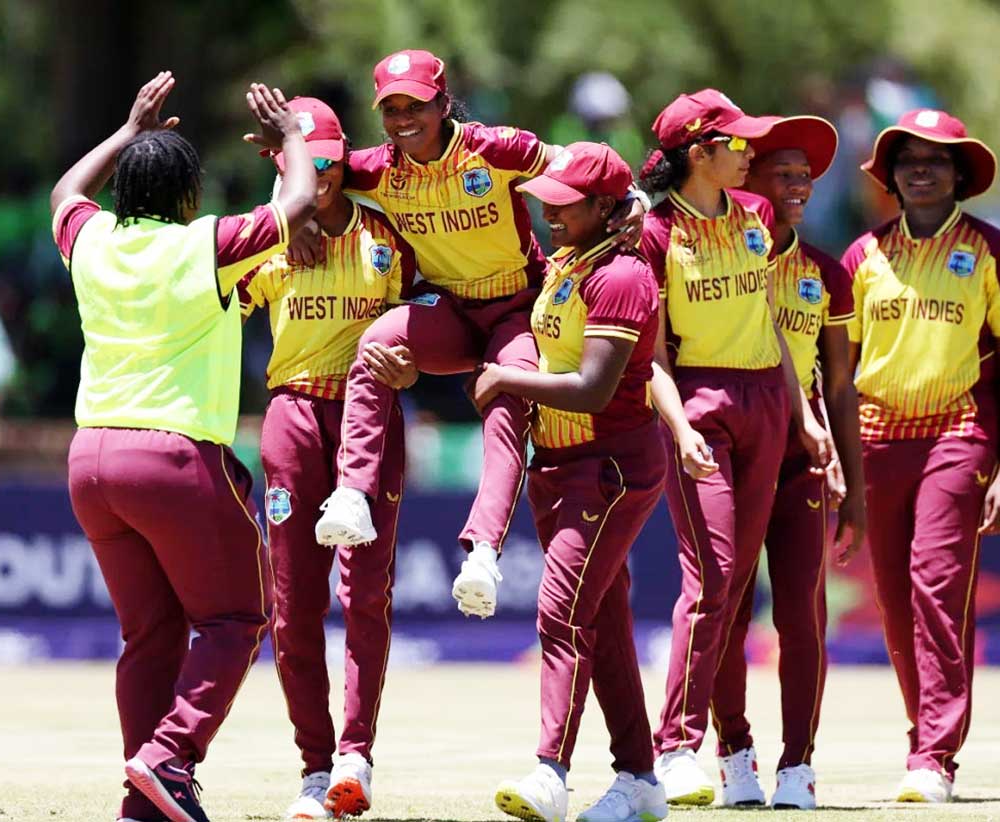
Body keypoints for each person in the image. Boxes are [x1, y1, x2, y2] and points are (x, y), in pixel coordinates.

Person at [51, 72, 315, 822]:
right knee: (238, 617)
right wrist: (294, 137)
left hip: (91, 459)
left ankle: (145, 798)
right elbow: (293, 206)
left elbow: (65, 192)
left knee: (150, 633)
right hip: (170, 458)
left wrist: (127, 131)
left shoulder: (92, 240)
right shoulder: (206, 245)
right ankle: (172, 757)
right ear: (189, 195)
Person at [311, 49, 644, 619]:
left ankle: (484, 554)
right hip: (448, 309)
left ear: (443, 103)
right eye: (390, 108)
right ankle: (353, 495)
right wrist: (297, 220)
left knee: (508, 399)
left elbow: (582, 169)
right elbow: (315, 169)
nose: (402, 119)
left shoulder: (498, 148)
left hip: (516, 308)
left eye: (414, 104)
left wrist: (633, 198)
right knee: (374, 345)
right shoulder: (375, 169)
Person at [638, 90, 832, 808]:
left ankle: (739, 755)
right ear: (700, 154)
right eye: (738, 144)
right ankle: (678, 747)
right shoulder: (656, 232)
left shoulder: (752, 217)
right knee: (713, 578)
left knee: (737, 589)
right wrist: (682, 428)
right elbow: (653, 355)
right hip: (702, 408)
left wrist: (805, 414)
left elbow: (769, 324)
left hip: (768, 407)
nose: (750, 152)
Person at [468, 141, 666, 822]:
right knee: (602, 622)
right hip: (559, 467)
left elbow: (591, 387)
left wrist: (504, 377)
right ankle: (641, 780)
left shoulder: (623, 277)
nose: (549, 212)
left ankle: (551, 772)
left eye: (564, 204)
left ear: (605, 207)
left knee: (560, 613)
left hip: (608, 469)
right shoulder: (569, 261)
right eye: (546, 200)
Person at [845, 108, 1000, 802]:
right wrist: (839, 464)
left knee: (936, 587)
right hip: (874, 441)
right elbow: (840, 373)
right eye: (908, 160)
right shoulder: (862, 258)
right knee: (895, 602)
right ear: (890, 177)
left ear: (960, 174)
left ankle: (934, 757)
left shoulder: (993, 253)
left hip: (957, 436)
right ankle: (922, 735)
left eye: (937, 159)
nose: (921, 169)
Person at [239, 97, 418, 820]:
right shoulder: (266, 239)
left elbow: (431, 310)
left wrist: (416, 362)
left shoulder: (385, 236)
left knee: (366, 595)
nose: (324, 181)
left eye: (332, 166)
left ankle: (354, 757)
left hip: (368, 420)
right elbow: (214, 306)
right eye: (307, 169)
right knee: (293, 607)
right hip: (292, 418)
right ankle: (315, 769)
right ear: (282, 167)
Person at [701, 114, 867, 811]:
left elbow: (840, 384)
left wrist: (854, 490)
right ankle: (734, 754)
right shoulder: (718, 256)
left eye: (805, 176)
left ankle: (798, 764)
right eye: (782, 173)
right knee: (726, 610)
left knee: (801, 612)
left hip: (801, 462)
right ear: (747, 180)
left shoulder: (825, 274)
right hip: (732, 453)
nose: (797, 187)